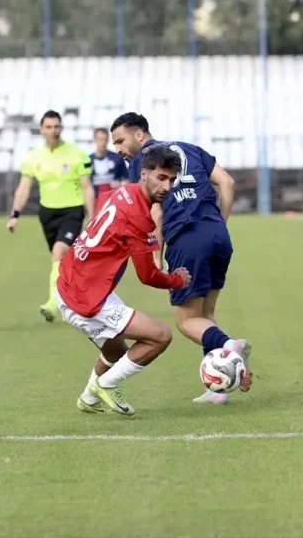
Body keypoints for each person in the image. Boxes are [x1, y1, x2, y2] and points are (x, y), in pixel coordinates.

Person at [110, 112, 251, 405]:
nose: (118, 149)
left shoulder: (144, 163)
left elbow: (156, 213)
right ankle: (217, 392)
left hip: (186, 238)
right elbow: (227, 183)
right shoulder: (191, 148)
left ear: (139, 135)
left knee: (186, 322)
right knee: (206, 316)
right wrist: (219, 225)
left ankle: (229, 346)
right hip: (217, 235)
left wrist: (156, 257)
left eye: (121, 141)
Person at [57, 146, 190, 416]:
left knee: (116, 349)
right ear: (144, 173)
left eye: (172, 180)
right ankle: (104, 385)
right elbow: (148, 276)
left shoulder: (121, 191)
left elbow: (101, 202)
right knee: (160, 336)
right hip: (86, 297)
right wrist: (177, 280)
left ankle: (88, 398)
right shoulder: (139, 219)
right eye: (161, 178)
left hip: (71, 283)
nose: (167, 186)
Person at [7, 111, 95, 323]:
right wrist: (14, 215)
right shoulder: (33, 157)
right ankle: (74, 300)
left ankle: (53, 305)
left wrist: (92, 218)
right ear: (41, 129)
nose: (53, 131)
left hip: (72, 210)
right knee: (61, 261)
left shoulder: (77, 154)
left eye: (56, 127)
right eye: (48, 127)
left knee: (59, 252)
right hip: (47, 213)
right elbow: (24, 188)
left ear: (61, 128)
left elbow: (87, 187)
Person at [90, 127, 130, 201]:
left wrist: (120, 184)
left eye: (104, 139)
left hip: (114, 199)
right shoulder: (88, 160)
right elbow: (85, 183)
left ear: (108, 140)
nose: (102, 143)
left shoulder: (117, 158)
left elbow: (127, 180)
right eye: (100, 139)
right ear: (95, 140)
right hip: (95, 200)